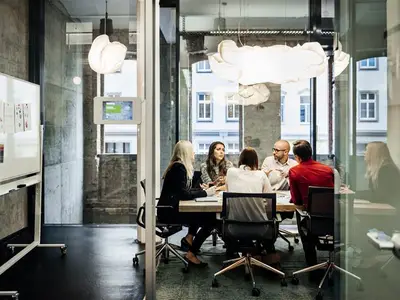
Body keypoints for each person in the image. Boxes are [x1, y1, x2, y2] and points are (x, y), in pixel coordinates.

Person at [157, 140, 217, 266]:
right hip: (170, 212)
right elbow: (183, 194)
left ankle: (189, 239)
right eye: (192, 150)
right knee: (210, 219)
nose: (194, 153)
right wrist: (206, 193)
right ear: (186, 152)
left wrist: (201, 190)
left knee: (203, 216)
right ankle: (191, 252)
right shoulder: (179, 168)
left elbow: (183, 190)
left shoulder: (176, 166)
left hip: (168, 209)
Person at [288, 140, 334, 266]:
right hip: (332, 218)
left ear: (297, 157)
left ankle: (312, 264)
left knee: (300, 214)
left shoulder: (294, 171)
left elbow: (297, 201)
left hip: (311, 220)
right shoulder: (328, 170)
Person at [362, 141, 400, 209]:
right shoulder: (377, 171)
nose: (364, 153)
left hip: (392, 214)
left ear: (374, 154)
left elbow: (379, 196)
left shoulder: (387, 170)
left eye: (367, 150)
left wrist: (355, 194)